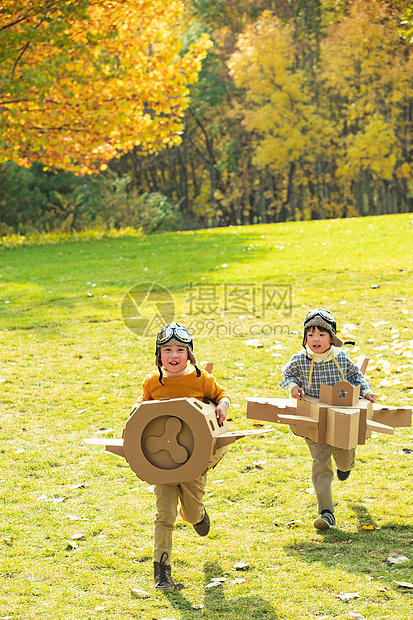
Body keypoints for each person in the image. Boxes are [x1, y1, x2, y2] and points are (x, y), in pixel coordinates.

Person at [132, 322, 231, 591]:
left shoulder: (200, 379)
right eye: (167, 350)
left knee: (189, 512)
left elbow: (222, 395)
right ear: (159, 355)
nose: (173, 356)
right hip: (162, 462)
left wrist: (222, 404)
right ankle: (162, 572)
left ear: (189, 354)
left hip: (194, 462)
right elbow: (143, 407)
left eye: (179, 350)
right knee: (164, 515)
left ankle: (198, 515)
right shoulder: (153, 382)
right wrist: (136, 408)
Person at [280, 308, 377, 530]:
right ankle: (326, 512)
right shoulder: (300, 359)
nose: (316, 339)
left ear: (331, 338)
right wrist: (293, 386)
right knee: (321, 462)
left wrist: (366, 391)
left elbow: (356, 377)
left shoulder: (341, 358)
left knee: (343, 454)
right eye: (311, 334)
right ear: (305, 338)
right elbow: (287, 375)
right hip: (314, 419)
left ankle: (346, 465)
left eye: (322, 334)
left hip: (341, 417)